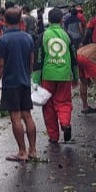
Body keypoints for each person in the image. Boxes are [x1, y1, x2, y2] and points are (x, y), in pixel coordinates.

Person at [0, 7, 37, 162]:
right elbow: (31, 61)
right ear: (20, 21)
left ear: (4, 21)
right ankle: (33, 150)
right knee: (27, 116)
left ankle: (22, 152)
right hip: (25, 81)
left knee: (16, 117)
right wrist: (27, 74)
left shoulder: (4, 40)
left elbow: (0, 65)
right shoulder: (28, 38)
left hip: (11, 83)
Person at [36, 8, 76, 144]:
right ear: (61, 20)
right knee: (64, 102)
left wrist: (35, 80)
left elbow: (38, 59)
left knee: (48, 106)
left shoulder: (43, 36)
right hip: (64, 75)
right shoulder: (67, 35)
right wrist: (75, 77)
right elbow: (74, 58)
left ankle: (53, 136)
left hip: (47, 76)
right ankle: (65, 123)